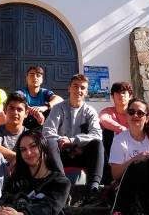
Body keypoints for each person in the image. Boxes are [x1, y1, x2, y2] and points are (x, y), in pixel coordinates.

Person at [42, 74, 103, 205]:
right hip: (61, 154)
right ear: (69, 88)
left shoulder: (90, 111)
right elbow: (47, 132)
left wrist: (73, 141)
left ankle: (93, 188)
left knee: (97, 144)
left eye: (82, 88)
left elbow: (97, 135)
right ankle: (62, 184)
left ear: (86, 92)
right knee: (51, 143)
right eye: (75, 86)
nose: (79, 90)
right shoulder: (58, 108)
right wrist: (64, 142)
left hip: (81, 153)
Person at [0, 129, 71, 215]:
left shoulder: (60, 182)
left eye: (33, 146)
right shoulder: (17, 180)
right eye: (23, 150)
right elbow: (5, 199)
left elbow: (49, 208)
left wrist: (22, 214)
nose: (28, 153)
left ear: (44, 147)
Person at [0, 92, 30, 204]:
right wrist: (16, 157)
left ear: (26, 113)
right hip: (0, 178)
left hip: (23, 181)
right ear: (5, 110)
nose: (15, 112)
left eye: (19, 109)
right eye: (11, 108)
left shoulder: (31, 135)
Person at [99, 81, 132, 183]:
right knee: (107, 131)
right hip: (113, 148)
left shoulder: (134, 112)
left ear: (130, 96)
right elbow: (103, 120)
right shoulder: (108, 111)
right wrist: (122, 129)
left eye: (124, 92)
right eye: (117, 93)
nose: (121, 95)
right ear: (113, 96)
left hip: (131, 147)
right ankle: (108, 174)